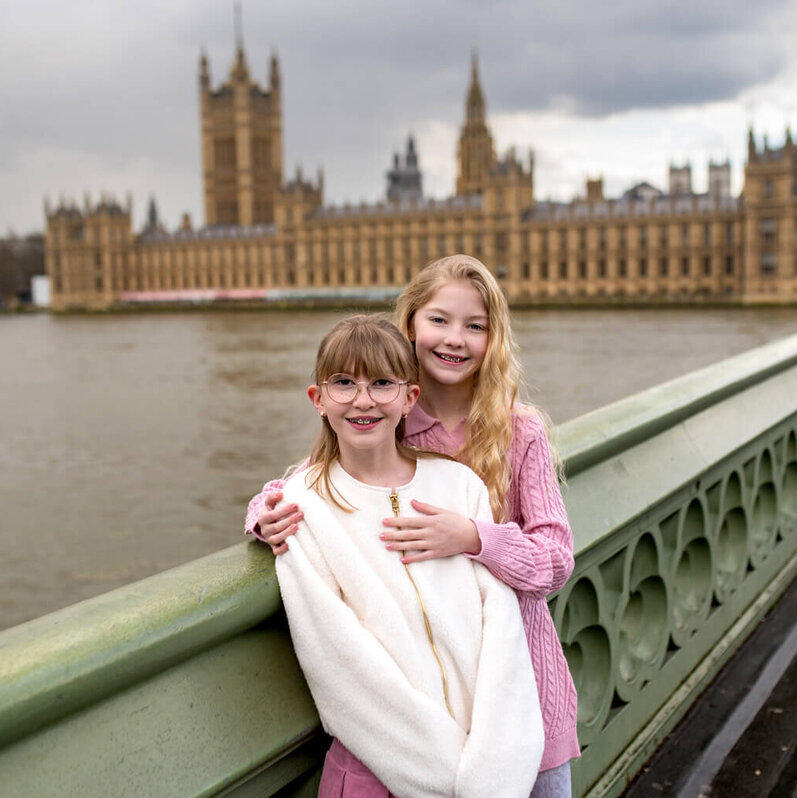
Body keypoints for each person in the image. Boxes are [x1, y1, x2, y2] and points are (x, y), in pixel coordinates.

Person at [247, 255, 580, 797]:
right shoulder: (388, 417)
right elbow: (306, 486)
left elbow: (556, 561)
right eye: (439, 320)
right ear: (411, 327)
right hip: (428, 714)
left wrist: (474, 538)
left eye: (475, 325)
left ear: (494, 338)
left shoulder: (520, 431)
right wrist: (263, 515)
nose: (455, 338)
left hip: (524, 698)